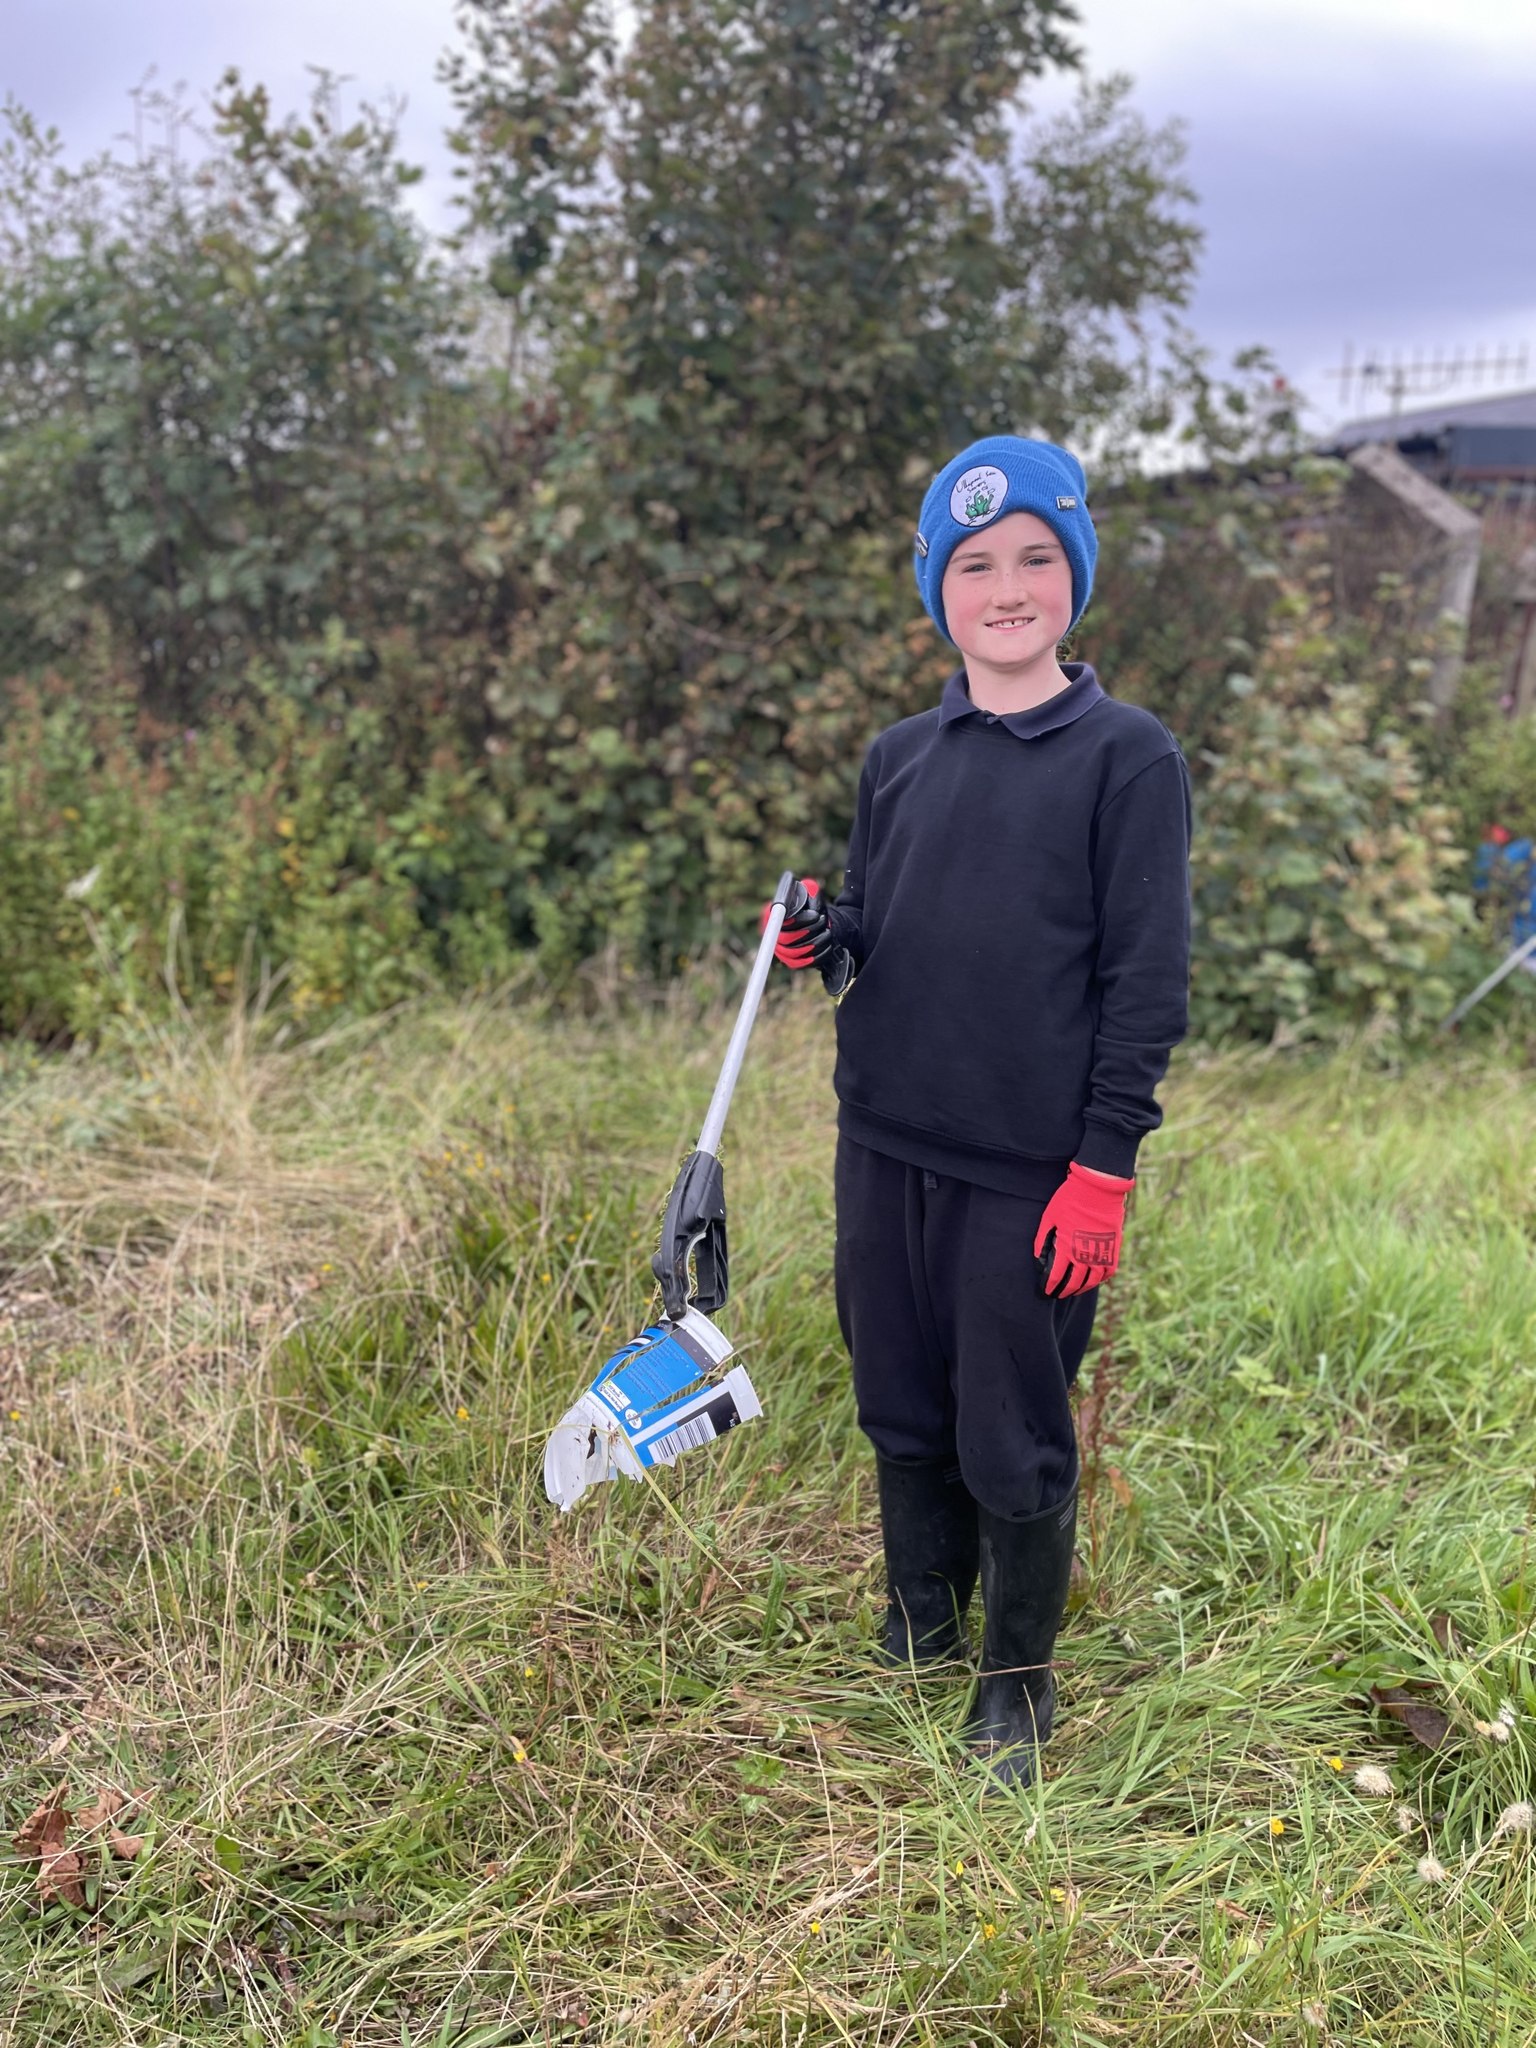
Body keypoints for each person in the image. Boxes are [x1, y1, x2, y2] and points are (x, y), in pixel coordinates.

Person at [768, 435, 1191, 1787]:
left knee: (1008, 1424)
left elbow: (1145, 981)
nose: (1005, 589)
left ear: (1075, 578)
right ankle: (921, 1620)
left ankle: (1015, 1684)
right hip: (883, 1137)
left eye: (1034, 560)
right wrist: (824, 937)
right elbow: (872, 924)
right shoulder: (900, 755)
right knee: (897, 1393)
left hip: (1030, 1166)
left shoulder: (1126, 758)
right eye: (974, 567)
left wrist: (1104, 1167)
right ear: (936, 590)